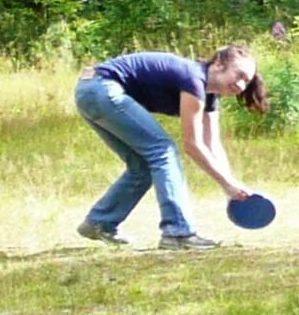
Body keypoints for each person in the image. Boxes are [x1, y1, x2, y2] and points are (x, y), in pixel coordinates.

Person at [75, 44, 266, 249]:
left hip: (90, 91)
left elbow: (212, 144)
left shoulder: (210, 94)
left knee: (142, 166)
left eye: (246, 81)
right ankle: (178, 232)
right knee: (162, 150)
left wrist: (231, 186)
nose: (241, 85)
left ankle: (100, 222)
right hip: (101, 88)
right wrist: (227, 184)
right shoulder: (194, 79)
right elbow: (192, 144)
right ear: (219, 64)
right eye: (239, 75)